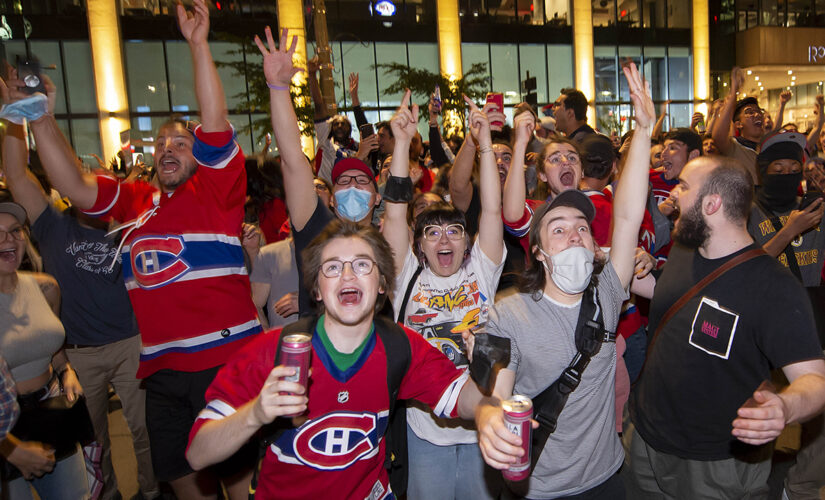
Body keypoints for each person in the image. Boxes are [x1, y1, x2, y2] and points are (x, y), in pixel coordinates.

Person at [23, 1, 261, 497]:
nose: (169, 149)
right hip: (162, 372)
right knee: (180, 478)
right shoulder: (135, 202)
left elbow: (215, 122)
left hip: (225, 360)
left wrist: (198, 43)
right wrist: (40, 119)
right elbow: (74, 184)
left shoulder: (218, 191)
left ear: (200, 155)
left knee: (238, 481)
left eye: (181, 143)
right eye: (161, 144)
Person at [185, 216, 496, 500]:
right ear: (317, 290)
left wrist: (486, 394)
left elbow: (462, 400)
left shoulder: (400, 347)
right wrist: (256, 413)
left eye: (362, 265)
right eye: (332, 267)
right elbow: (198, 453)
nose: (347, 275)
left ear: (383, 284)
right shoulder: (273, 350)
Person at [473, 61, 654, 499]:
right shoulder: (508, 313)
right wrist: (487, 420)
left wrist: (644, 132)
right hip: (541, 487)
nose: (574, 234)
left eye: (582, 228)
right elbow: (490, 394)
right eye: (558, 229)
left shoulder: (608, 294)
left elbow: (628, 216)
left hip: (608, 478)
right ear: (537, 251)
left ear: (596, 246)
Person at [626, 155, 825, 498]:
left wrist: (786, 406)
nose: (672, 195)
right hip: (645, 438)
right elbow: (666, 294)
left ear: (712, 203)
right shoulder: (686, 248)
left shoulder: (773, 286)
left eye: (683, 187)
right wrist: (621, 270)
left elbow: (815, 379)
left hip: (714, 464)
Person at [0, 95, 158, 499]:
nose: (96, 188)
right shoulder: (52, 224)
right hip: (77, 353)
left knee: (145, 432)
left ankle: (151, 493)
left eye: (105, 181)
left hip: (130, 343)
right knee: (93, 440)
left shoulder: (128, 224)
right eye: (88, 180)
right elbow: (17, 176)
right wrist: (15, 118)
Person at [382, 92, 505, 499]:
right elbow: (396, 213)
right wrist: (402, 144)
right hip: (425, 432)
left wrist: (485, 144)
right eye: (432, 232)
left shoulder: (480, 270)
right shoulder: (405, 277)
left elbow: (491, 209)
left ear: (467, 243)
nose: (444, 238)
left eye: (453, 230)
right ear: (418, 247)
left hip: (479, 426)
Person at [261, 29, 382, 317]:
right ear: (330, 198)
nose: (352, 184)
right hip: (318, 354)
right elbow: (292, 158)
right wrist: (278, 89)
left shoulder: (388, 237)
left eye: (362, 180)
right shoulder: (316, 225)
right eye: (343, 181)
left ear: (377, 198)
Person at [0, 201, 90, 499]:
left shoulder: (45, 287)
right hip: (5, 431)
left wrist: (67, 372)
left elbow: (52, 346)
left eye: (14, 231)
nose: (8, 241)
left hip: (52, 413)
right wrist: (10, 449)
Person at [711, 67, 763, 185]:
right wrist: (733, 92)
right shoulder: (735, 147)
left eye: (759, 111)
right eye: (749, 112)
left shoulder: (769, 147)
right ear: (738, 124)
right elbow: (718, 136)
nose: (757, 114)